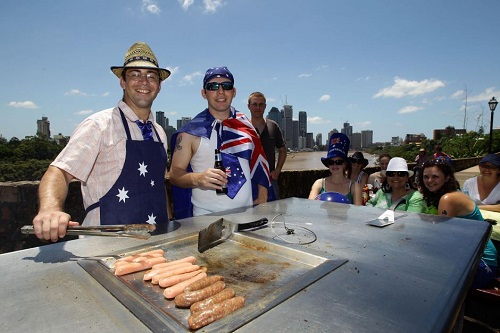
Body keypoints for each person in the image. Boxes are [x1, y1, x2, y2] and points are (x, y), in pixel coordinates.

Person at [32, 42, 171, 242]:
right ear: (122, 82)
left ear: (159, 86)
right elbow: (59, 171)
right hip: (105, 244)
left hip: (155, 239)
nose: (144, 81)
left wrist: (169, 220)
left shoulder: (159, 132)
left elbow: (158, 185)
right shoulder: (99, 125)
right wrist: (50, 210)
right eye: (135, 74)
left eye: (151, 76)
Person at [169, 66, 271, 219]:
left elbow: (258, 161)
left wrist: (263, 195)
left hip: (247, 215)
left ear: (234, 92)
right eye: (213, 86)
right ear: (204, 93)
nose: (221, 91)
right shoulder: (190, 132)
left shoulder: (246, 126)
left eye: (226, 86)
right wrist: (198, 179)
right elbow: (174, 174)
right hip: (206, 219)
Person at [419, 159, 497, 288]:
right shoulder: (450, 194)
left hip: (481, 263)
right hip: (469, 257)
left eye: (435, 176)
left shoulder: (448, 198)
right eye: (425, 177)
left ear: (447, 177)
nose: (429, 181)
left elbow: (440, 237)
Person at [248, 92, 287, 199]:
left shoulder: (273, 126)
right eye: (254, 104)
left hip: (270, 179)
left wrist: (278, 170)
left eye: (261, 104)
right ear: (249, 106)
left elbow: (283, 150)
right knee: (248, 213)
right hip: (248, 181)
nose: (258, 107)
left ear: (265, 107)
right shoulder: (243, 127)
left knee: (273, 211)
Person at [308, 133, 362, 205]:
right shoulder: (319, 184)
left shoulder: (354, 186)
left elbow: (357, 211)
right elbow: (309, 206)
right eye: (331, 162)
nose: (334, 165)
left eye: (338, 162)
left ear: (345, 164)